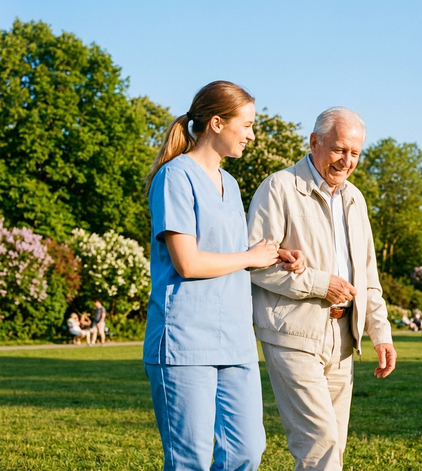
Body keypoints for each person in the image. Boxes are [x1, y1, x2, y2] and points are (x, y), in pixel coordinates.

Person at [142, 81, 305, 471]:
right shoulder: (175, 177)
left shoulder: (230, 185)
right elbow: (189, 263)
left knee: (246, 451)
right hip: (184, 341)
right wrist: (248, 256)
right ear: (217, 122)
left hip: (234, 340)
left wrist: (272, 257)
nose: (251, 135)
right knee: (191, 461)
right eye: (246, 125)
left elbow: (232, 254)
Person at [247, 106, 396, 471]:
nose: (347, 161)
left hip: (344, 339)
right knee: (320, 446)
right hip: (293, 334)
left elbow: (367, 276)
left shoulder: (355, 199)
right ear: (314, 142)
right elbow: (254, 264)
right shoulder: (279, 187)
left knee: (335, 447)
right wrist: (320, 283)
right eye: (339, 149)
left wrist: (380, 333)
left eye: (355, 153)